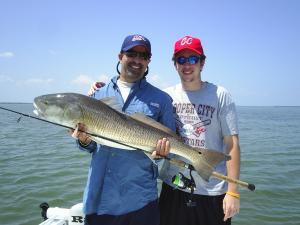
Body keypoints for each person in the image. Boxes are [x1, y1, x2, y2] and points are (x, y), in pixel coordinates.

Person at [88, 35, 241, 225]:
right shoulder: (167, 95)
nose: (187, 64)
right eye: (181, 59)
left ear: (202, 62)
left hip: (212, 190)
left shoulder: (219, 95)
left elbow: (231, 143)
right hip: (173, 186)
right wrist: (98, 93)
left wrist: (233, 192)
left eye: (193, 59)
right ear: (174, 64)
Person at [71, 34, 176, 225]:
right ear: (120, 56)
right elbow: (89, 146)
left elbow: (170, 145)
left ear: (148, 61)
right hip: (100, 198)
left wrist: (161, 155)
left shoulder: (161, 99)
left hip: (140, 200)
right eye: (131, 53)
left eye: (143, 56)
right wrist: (83, 141)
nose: (137, 60)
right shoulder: (98, 94)